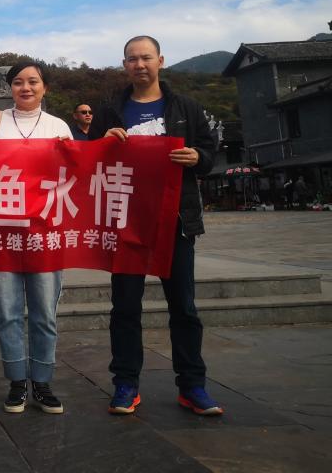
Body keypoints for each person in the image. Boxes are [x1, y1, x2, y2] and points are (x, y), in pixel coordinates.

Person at [88, 35, 222, 416]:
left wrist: (197, 157)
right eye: (132, 59)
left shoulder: (185, 107)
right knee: (125, 307)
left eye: (146, 57)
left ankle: (192, 386)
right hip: (126, 221)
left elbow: (210, 153)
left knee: (184, 306)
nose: (139, 64)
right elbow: (88, 159)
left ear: (160, 60)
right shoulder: (110, 111)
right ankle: (125, 384)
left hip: (175, 221)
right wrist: (101, 143)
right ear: (124, 65)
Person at [0, 60, 72, 414]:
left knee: (44, 313)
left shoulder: (58, 127)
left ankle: (42, 381)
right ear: (10, 88)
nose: (26, 87)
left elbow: (74, 176)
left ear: (44, 88)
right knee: (7, 312)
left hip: (44, 233)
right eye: (19, 82)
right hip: (2, 233)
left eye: (33, 81)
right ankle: (17, 381)